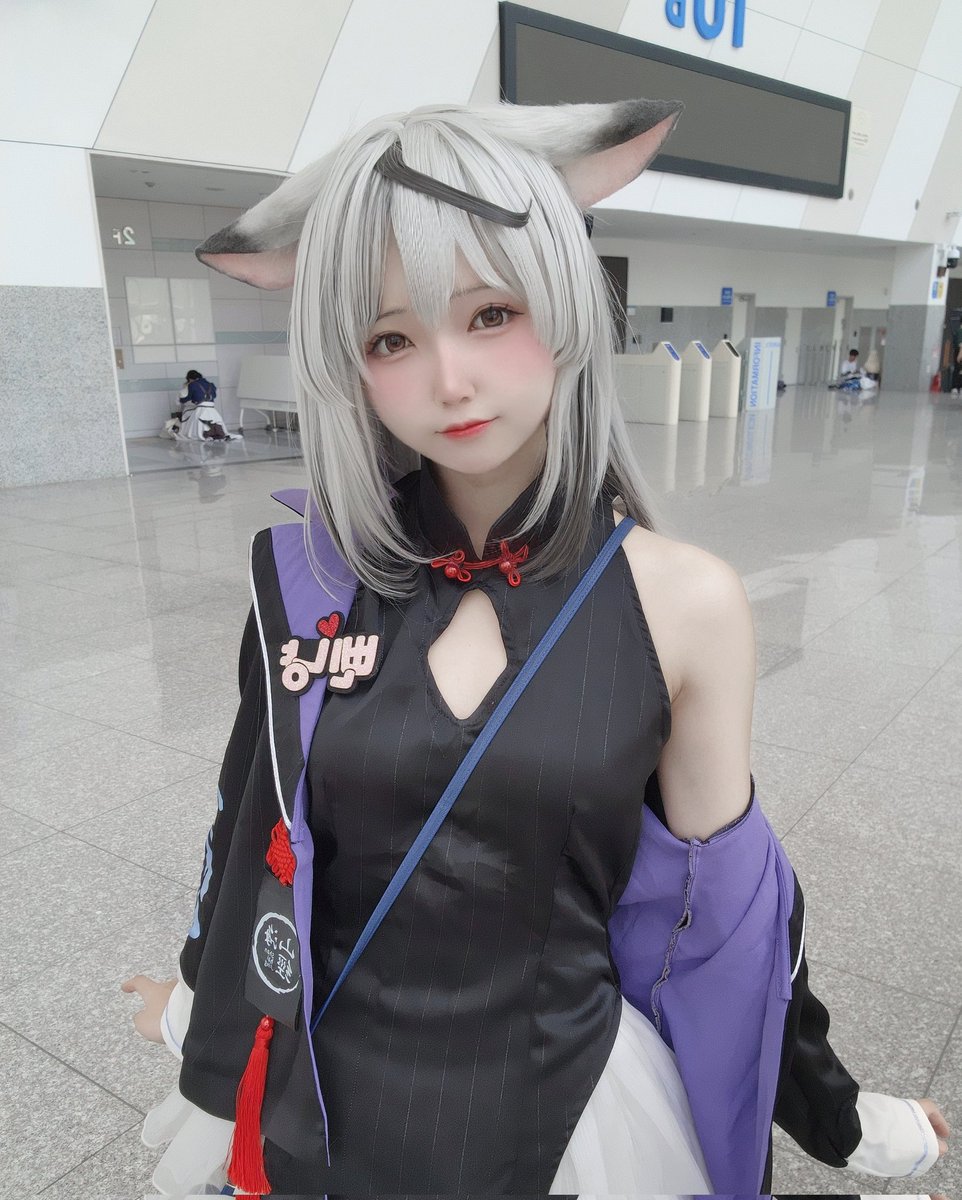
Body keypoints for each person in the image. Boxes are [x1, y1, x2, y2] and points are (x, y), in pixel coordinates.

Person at [122, 99, 950, 1196]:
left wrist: (841, 1117)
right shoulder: (302, 583)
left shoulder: (684, 603)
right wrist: (197, 1000)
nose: (449, 378)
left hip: (565, 1129)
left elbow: (728, 919)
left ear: (562, 308)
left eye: (489, 313)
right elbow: (248, 832)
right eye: (390, 338)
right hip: (325, 1117)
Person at [176, 369, 233, 440]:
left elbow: (189, 397)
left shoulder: (192, 384)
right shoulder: (211, 385)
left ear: (190, 379)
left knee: (193, 424)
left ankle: (205, 434)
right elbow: (214, 396)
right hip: (212, 409)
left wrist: (181, 400)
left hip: (201, 409)